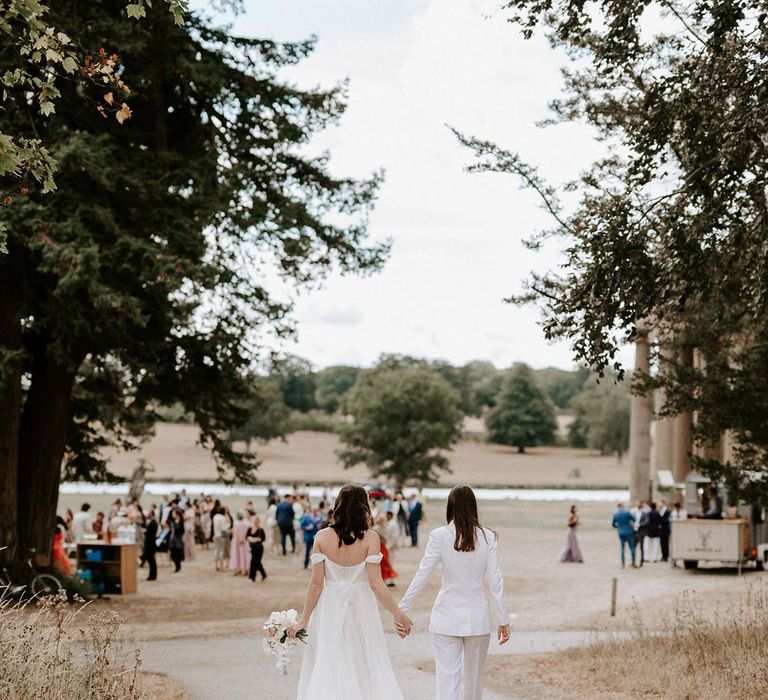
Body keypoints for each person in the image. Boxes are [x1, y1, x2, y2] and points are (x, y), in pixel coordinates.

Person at [290, 484, 411, 699]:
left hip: (329, 609)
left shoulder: (321, 537)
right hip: (361, 608)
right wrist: (398, 613)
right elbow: (376, 583)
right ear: (364, 507)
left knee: (330, 662)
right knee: (363, 662)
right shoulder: (371, 538)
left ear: (338, 506)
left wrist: (303, 620)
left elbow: (316, 584)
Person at [398, 485, 509, 700]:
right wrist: (503, 618)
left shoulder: (439, 535)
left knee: (447, 680)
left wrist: (403, 610)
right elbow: (496, 580)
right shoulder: (488, 537)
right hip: (477, 618)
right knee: (474, 683)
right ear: (473, 507)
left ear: (450, 507)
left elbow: (423, 574)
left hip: (446, 616)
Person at [374, 515, 398, 587]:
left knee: (381, 564)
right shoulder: (386, 528)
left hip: (379, 547)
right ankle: (387, 580)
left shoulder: (375, 528)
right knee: (387, 563)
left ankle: (383, 579)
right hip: (385, 547)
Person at [612, 502, 637, 569]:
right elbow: (634, 520)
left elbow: (613, 524)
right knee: (632, 547)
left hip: (621, 532)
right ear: (623, 506)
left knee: (622, 548)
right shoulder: (627, 513)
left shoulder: (616, 514)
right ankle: (633, 562)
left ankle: (623, 564)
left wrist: (619, 526)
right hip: (629, 531)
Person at [229, 510, 251, 576]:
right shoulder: (247, 523)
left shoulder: (236, 523)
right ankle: (246, 569)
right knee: (245, 555)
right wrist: (243, 539)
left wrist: (239, 539)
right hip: (245, 541)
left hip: (237, 541)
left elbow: (235, 533)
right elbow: (249, 532)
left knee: (237, 555)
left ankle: (238, 569)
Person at [246, 515, 267, 582]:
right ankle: (262, 574)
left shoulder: (260, 530)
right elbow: (246, 537)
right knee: (255, 562)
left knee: (255, 562)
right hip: (252, 547)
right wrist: (250, 539)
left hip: (258, 548)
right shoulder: (250, 529)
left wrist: (255, 539)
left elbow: (262, 538)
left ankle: (253, 577)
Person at [212, 506, 230, 572]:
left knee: (216, 550)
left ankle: (216, 566)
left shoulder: (215, 516)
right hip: (221, 536)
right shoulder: (223, 518)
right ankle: (221, 566)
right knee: (221, 551)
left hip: (216, 535)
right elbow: (224, 528)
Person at [144, 510, 158, 581]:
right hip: (150, 543)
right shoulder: (152, 522)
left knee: (151, 560)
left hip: (151, 544)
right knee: (151, 560)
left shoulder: (153, 523)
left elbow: (150, 533)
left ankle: (153, 575)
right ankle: (152, 574)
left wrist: (145, 532)